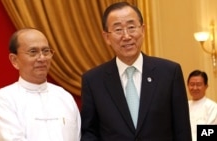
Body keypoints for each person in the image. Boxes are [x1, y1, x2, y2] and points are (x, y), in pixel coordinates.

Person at [80, 2, 192, 141]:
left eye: (132, 27)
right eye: (118, 30)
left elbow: (182, 130)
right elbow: (90, 132)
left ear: (143, 30)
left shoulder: (169, 73)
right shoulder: (93, 81)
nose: (126, 36)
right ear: (107, 37)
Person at [0, 28, 81, 141]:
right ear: (14, 60)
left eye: (46, 51)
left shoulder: (64, 97)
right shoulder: (4, 100)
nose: (42, 58)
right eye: (33, 52)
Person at [187, 69, 217, 141]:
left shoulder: (212, 107)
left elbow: (209, 135)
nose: (195, 88)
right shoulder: (184, 105)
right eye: (192, 84)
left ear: (206, 86)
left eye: (199, 84)